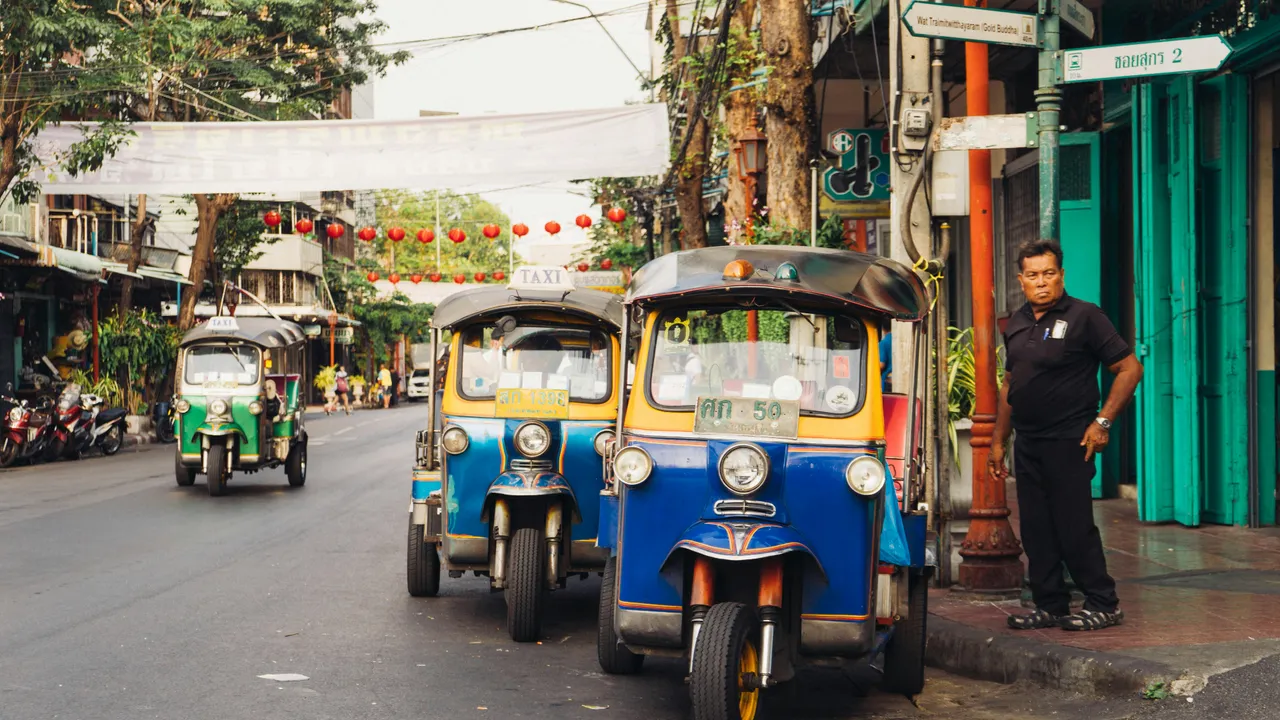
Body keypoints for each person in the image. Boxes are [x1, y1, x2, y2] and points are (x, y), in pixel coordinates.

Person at [991, 240, 1144, 632]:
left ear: (1061, 275)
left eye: (1049, 273)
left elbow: (1130, 369)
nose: (1042, 282)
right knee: (1037, 528)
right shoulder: (1018, 322)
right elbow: (1011, 385)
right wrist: (998, 441)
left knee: (1073, 526)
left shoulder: (1085, 316)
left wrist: (1103, 422)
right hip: (1029, 440)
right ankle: (1051, 604)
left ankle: (1103, 602)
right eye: (1033, 275)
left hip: (1071, 440)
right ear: (1021, 279)